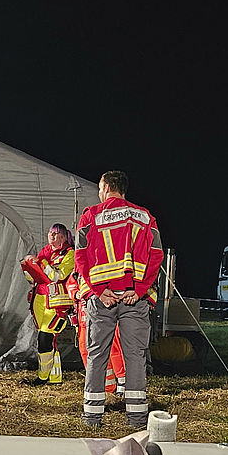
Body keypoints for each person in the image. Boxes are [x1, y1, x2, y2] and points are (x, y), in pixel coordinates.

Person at [75, 170, 163, 428]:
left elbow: (81, 256)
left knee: (97, 354)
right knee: (134, 356)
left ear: (105, 188)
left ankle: (93, 417)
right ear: (124, 189)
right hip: (134, 299)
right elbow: (156, 256)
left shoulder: (91, 216)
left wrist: (98, 290)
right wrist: (140, 288)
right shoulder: (145, 217)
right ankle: (136, 417)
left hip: (103, 299)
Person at [20, 224, 76, 384]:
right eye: (50, 233)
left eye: (56, 234)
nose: (51, 236)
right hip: (39, 300)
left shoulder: (69, 254)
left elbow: (58, 276)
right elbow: (34, 278)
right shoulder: (45, 251)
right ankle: (54, 377)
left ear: (64, 237)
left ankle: (42, 377)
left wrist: (41, 264)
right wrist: (29, 268)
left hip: (56, 303)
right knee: (48, 339)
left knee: (45, 337)